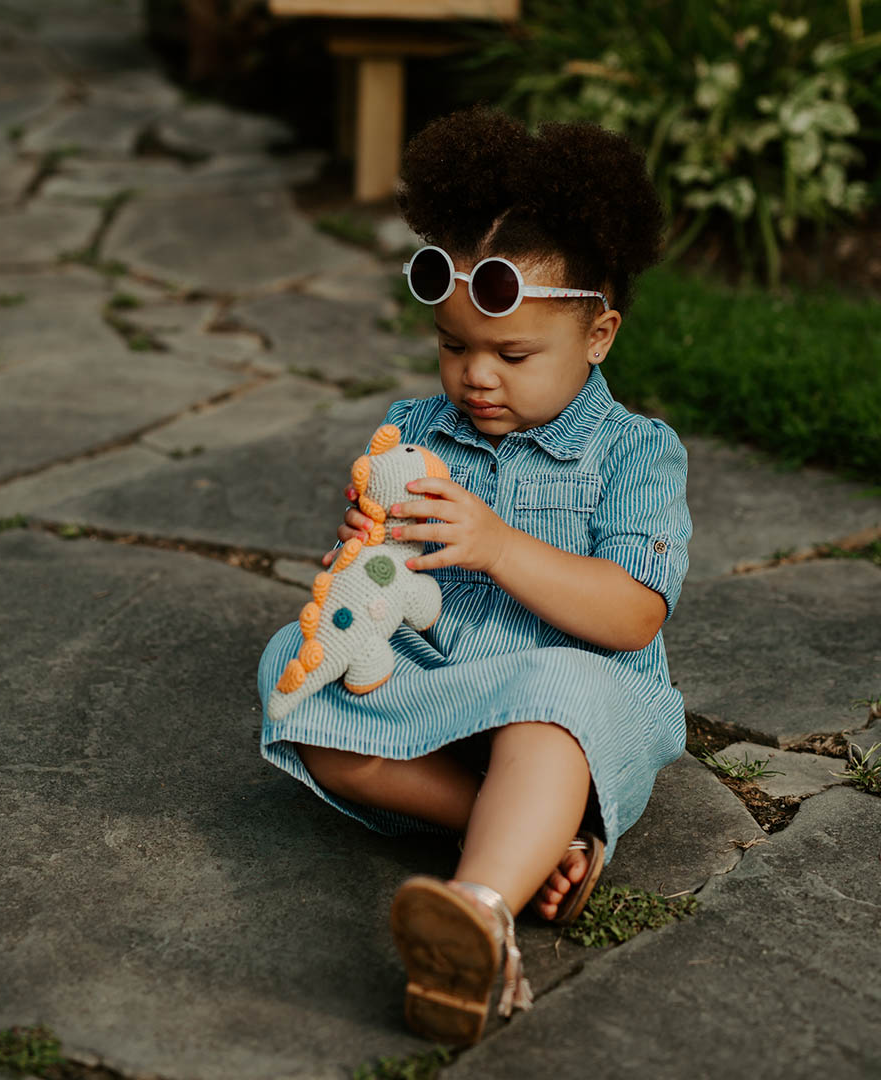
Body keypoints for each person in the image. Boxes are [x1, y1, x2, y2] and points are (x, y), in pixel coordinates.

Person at [257, 105, 692, 1046]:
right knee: (290, 677)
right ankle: (534, 844)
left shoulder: (635, 455)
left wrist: (498, 545)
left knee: (555, 688)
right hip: (450, 699)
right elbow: (372, 597)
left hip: (572, 707)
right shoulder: (418, 432)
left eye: (512, 353)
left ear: (600, 335)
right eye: (454, 346)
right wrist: (358, 566)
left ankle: (479, 909)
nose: (476, 376)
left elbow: (627, 617)